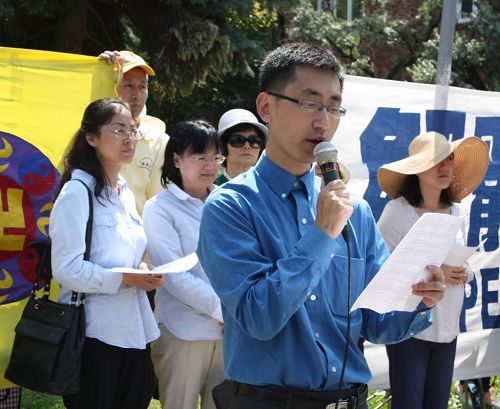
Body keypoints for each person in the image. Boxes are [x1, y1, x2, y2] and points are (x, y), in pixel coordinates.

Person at [196, 42, 446, 409]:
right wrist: (321, 234)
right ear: (266, 106)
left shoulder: (354, 210)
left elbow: (377, 324)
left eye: (333, 107)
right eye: (310, 103)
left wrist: (418, 300)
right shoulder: (231, 206)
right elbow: (258, 318)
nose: (323, 121)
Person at [49, 98, 164, 409]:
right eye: (118, 129)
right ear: (91, 137)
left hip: (134, 329)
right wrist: (126, 277)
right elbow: (67, 270)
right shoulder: (77, 192)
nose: (129, 137)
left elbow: (120, 251)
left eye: (132, 130)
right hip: (93, 335)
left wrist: (139, 267)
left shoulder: (123, 190)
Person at [376, 131, 490, 409]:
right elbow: (380, 268)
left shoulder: (457, 211)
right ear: (416, 169)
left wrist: (464, 272)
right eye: (436, 160)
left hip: (447, 327)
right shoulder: (397, 211)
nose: (445, 166)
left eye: (449, 158)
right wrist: (438, 268)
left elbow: (461, 261)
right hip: (408, 329)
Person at [143, 120, 225, 409]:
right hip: (183, 330)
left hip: (230, 333)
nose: (210, 165)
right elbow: (174, 276)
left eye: (216, 157)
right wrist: (226, 310)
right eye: (200, 156)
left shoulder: (227, 203)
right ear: (176, 159)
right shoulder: (160, 208)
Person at [99, 50, 169, 215]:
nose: (136, 94)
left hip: (140, 237)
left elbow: (158, 205)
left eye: (142, 86)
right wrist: (97, 73)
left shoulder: (159, 141)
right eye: (128, 85)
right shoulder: (92, 133)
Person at [214, 108, 267, 185]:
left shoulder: (272, 188)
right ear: (222, 147)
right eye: (238, 140)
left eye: (254, 140)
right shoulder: (210, 191)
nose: (247, 146)